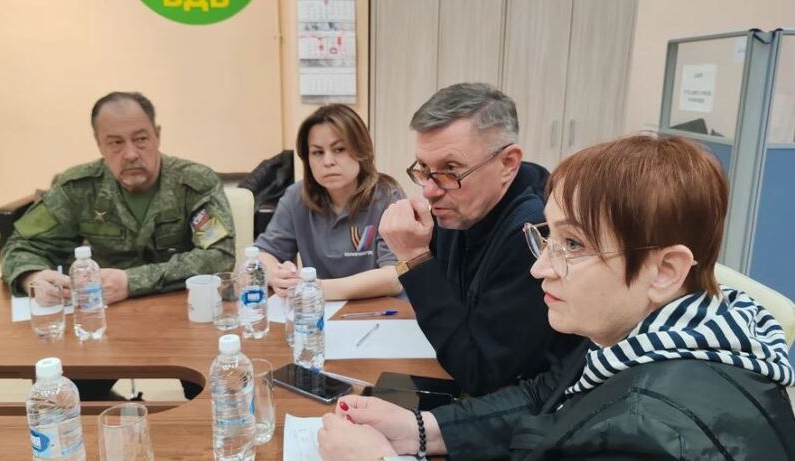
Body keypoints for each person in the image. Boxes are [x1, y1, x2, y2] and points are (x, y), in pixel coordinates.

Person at [317, 135, 795, 460]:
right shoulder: (638, 339)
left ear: (666, 271)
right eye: (549, 238)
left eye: (574, 245)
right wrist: (422, 431)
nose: (540, 267)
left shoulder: (647, 436)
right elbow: (545, 397)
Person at [0, 91, 235, 400]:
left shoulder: (194, 183)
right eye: (115, 143)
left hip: (185, 321)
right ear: (99, 144)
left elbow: (219, 256)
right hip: (104, 325)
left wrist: (131, 281)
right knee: (60, 395)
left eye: (141, 139)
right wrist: (33, 277)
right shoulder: (79, 188)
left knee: (218, 394)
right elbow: (20, 245)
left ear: (157, 135)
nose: (131, 154)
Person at [379, 82, 580, 396]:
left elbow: (481, 373)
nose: (429, 190)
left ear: (508, 163)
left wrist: (415, 260)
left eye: (450, 169)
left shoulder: (535, 232)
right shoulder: (460, 205)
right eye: (424, 169)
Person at [253, 104, 404, 300]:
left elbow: (395, 276)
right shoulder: (296, 197)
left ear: (362, 151)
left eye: (339, 149)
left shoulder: (388, 197)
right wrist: (276, 275)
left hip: (379, 309)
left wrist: (316, 288)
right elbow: (262, 254)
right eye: (317, 152)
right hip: (320, 311)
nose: (328, 161)